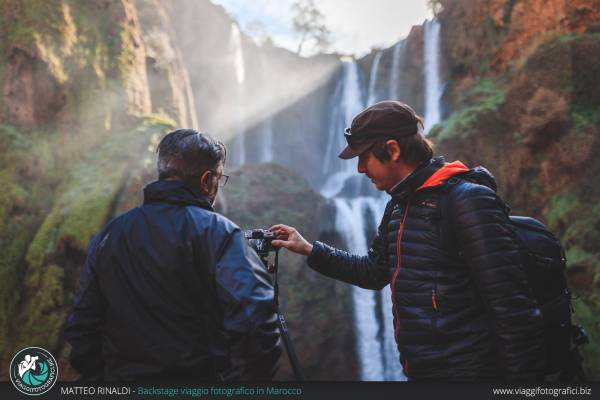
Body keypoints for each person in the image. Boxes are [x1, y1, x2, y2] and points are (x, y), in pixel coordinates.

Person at [270, 101, 545, 381]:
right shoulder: (399, 206)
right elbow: (374, 272)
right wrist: (309, 249)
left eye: (364, 157)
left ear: (393, 149)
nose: (360, 169)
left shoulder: (467, 201)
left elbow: (513, 312)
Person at [65, 129, 281, 381]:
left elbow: (82, 326)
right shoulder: (219, 234)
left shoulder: (110, 235)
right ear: (206, 180)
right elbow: (257, 325)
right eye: (219, 179)